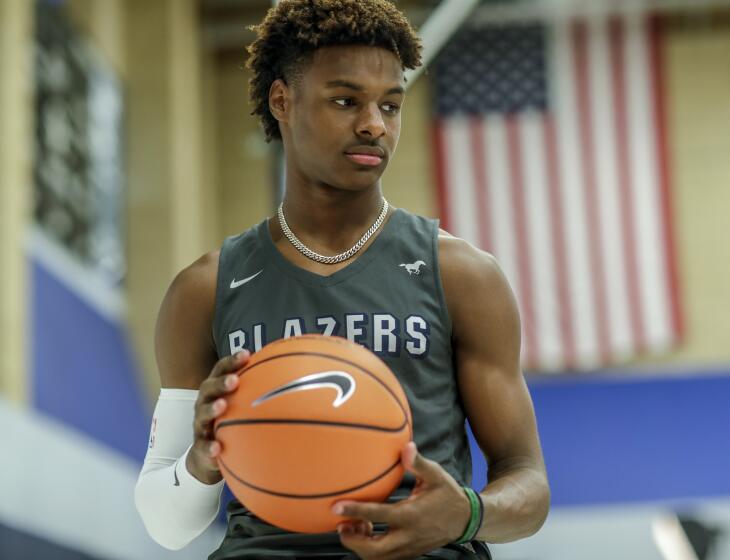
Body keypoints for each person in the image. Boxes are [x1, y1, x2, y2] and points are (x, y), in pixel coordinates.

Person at [134, 1, 550, 558]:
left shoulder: (460, 274)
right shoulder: (205, 288)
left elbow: (529, 483)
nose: (374, 125)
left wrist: (467, 514)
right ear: (282, 101)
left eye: (391, 104)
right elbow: (166, 526)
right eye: (345, 100)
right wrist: (202, 461)